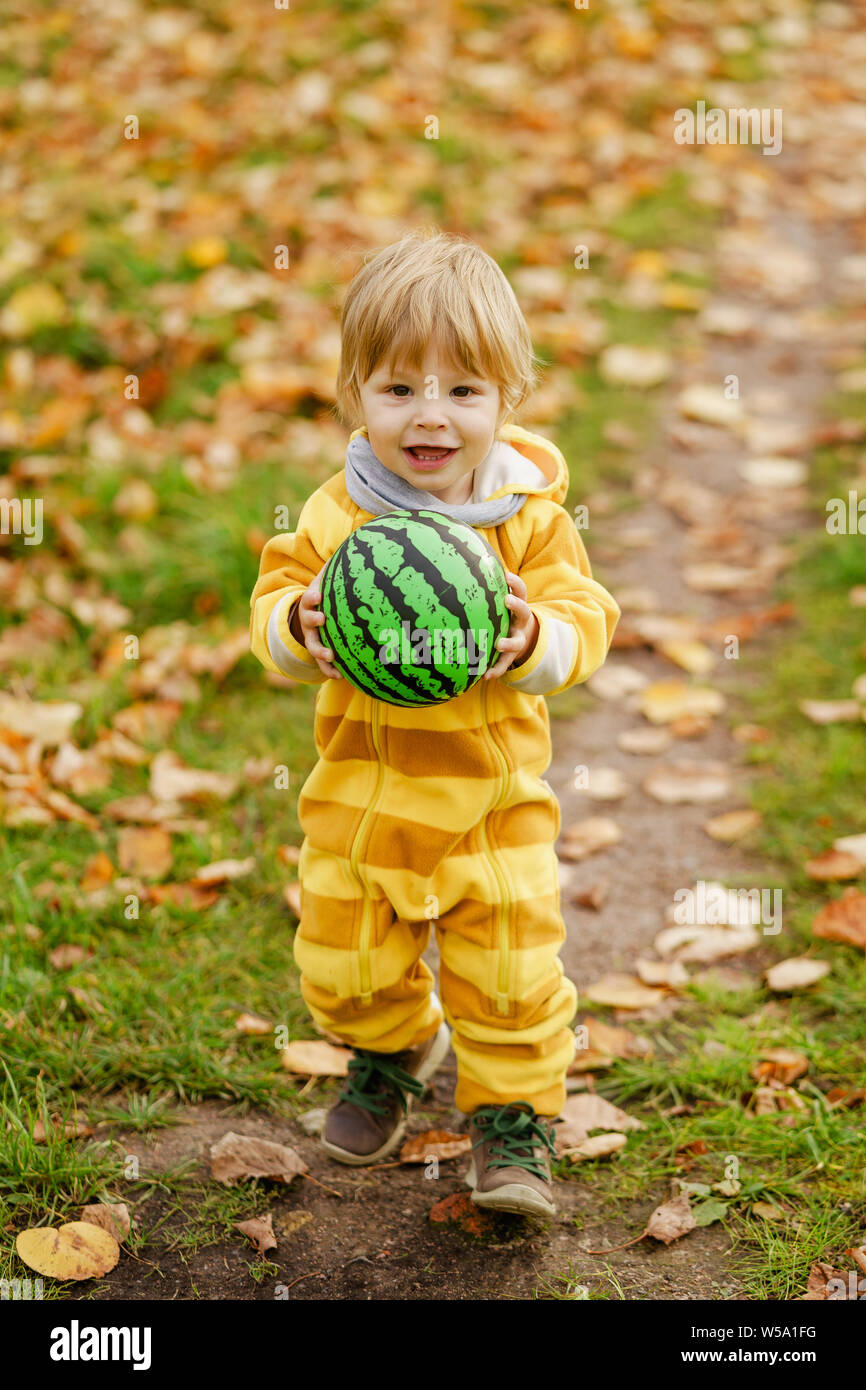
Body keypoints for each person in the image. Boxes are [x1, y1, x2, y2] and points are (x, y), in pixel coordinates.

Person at [249, 228, 620, 1218]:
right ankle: (390, 1044)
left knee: (506, 972)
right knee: (340, 965)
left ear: (504, 403)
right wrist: (296, 623)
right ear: (352, 395)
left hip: (489, 810)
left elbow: (588, 619)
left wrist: (534, 632)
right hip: (358, 805)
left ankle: (511, 1119)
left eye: (462, 391)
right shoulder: (338, 515)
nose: (430, 416)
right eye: (398, 388)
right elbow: (274, 592)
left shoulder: (525, 519)